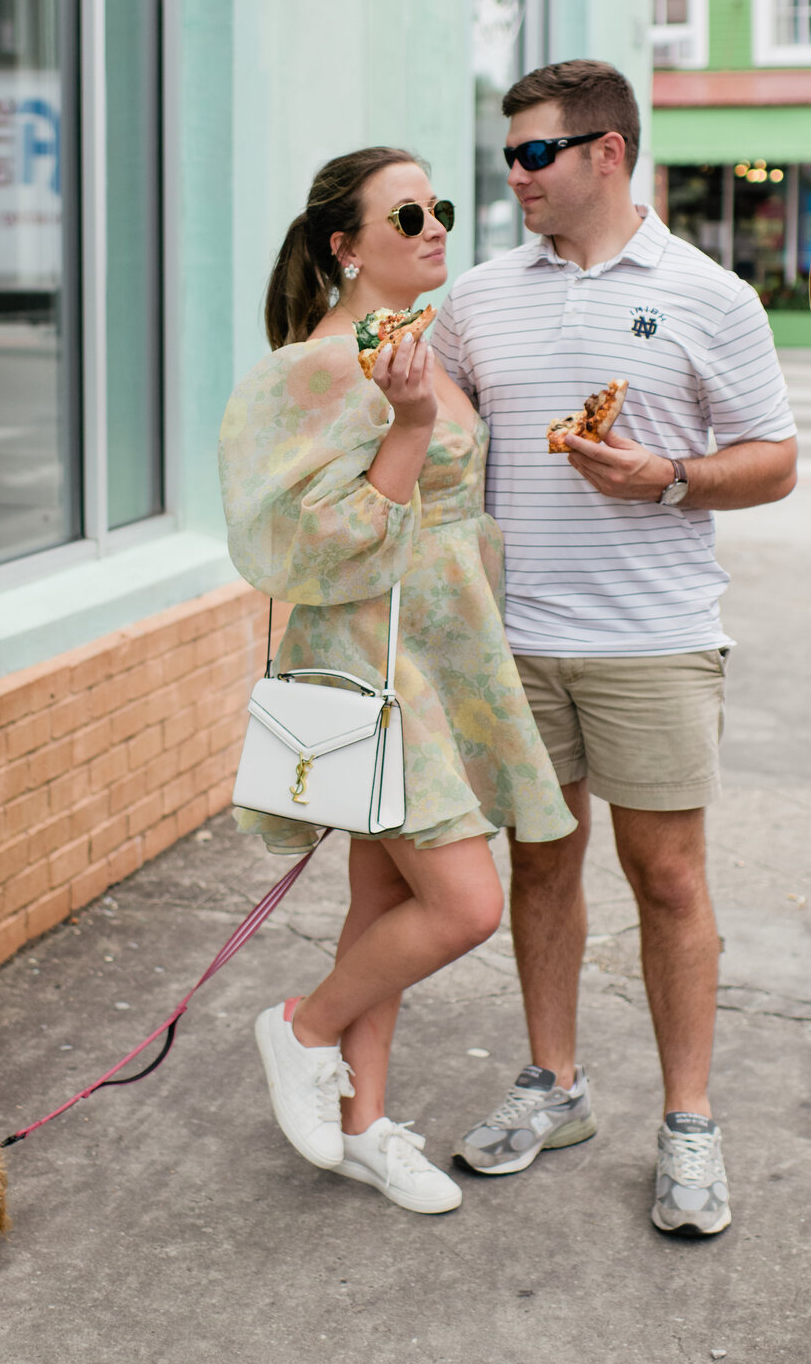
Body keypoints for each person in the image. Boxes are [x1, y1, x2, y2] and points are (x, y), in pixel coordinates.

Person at [433, 60, 797, 1236]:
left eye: (534, 153)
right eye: (507, 156)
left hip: (654, 638)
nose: (515, 176)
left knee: (670, 879)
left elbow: (774, 458)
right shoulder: (479, 298)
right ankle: (555, 1085)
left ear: (606, 153)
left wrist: (671, 477)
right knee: (541, 865)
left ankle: (689, 1124)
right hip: (515, 643)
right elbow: (436, 446)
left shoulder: (708, 295)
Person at [218, 145, 577, 1216]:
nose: (434, 228)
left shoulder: (418, 342)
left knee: (385, 895)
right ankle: (302, 1029)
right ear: (346, 245)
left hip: (441, 653)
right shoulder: (316, 369)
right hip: (372, 655)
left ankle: (366, 1123)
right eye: (407, 213)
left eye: (441, 209)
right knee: (466, 903)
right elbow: (315, 541)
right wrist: (415, 427)